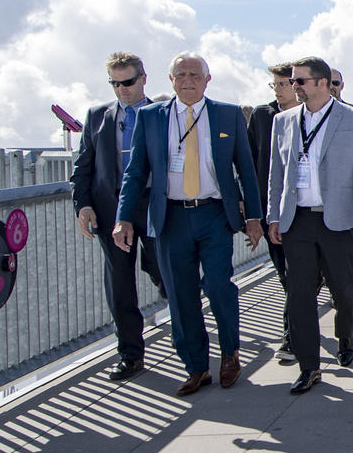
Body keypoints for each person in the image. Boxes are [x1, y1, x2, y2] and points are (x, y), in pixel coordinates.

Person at [114, 52, 264, 396]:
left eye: (195, 74)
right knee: (180, 296)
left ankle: (229, 353)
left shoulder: (227, 114)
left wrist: (253, 217)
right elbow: (136, 171)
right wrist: (123, 217)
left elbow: (246, 168)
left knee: (219, 286)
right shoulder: (151, 117)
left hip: (213, 213)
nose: (188, 80)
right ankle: (196, 366)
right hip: (171, 217)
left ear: (207, 80)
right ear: (170, 80)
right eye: (180, 74)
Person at [267, 56, 353, 394]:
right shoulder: (283, 121)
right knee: (299, 295)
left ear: (321, 82)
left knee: (343, 290)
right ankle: (309, 366)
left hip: (338, 219)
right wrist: (273, 215)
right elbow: (275, 173)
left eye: (299, 81)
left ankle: (345, 332)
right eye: (291, 81)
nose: (293, 86)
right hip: (297, 220)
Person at [71, 51, 163, 381]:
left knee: (163, 274)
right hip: (111, 213)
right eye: (115, 83)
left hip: (153, 207)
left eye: (128, 82)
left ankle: (189, 336)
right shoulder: (97, 117)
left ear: (143, 79)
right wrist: (82, 205)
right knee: (120, 285)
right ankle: (130, 355)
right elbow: (82, 167)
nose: (122, 89)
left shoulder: (163, 115)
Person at [246, 62, 299, 361]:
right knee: (285, 276)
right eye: (274, 85)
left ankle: (292, 336)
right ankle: (295, 330)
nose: (278, 90)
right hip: (272, 211)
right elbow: (252, 163)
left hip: (305, 212)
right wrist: (251, 210)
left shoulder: (310, 116)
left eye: (283, 84)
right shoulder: (263, 116)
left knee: (300, 276)